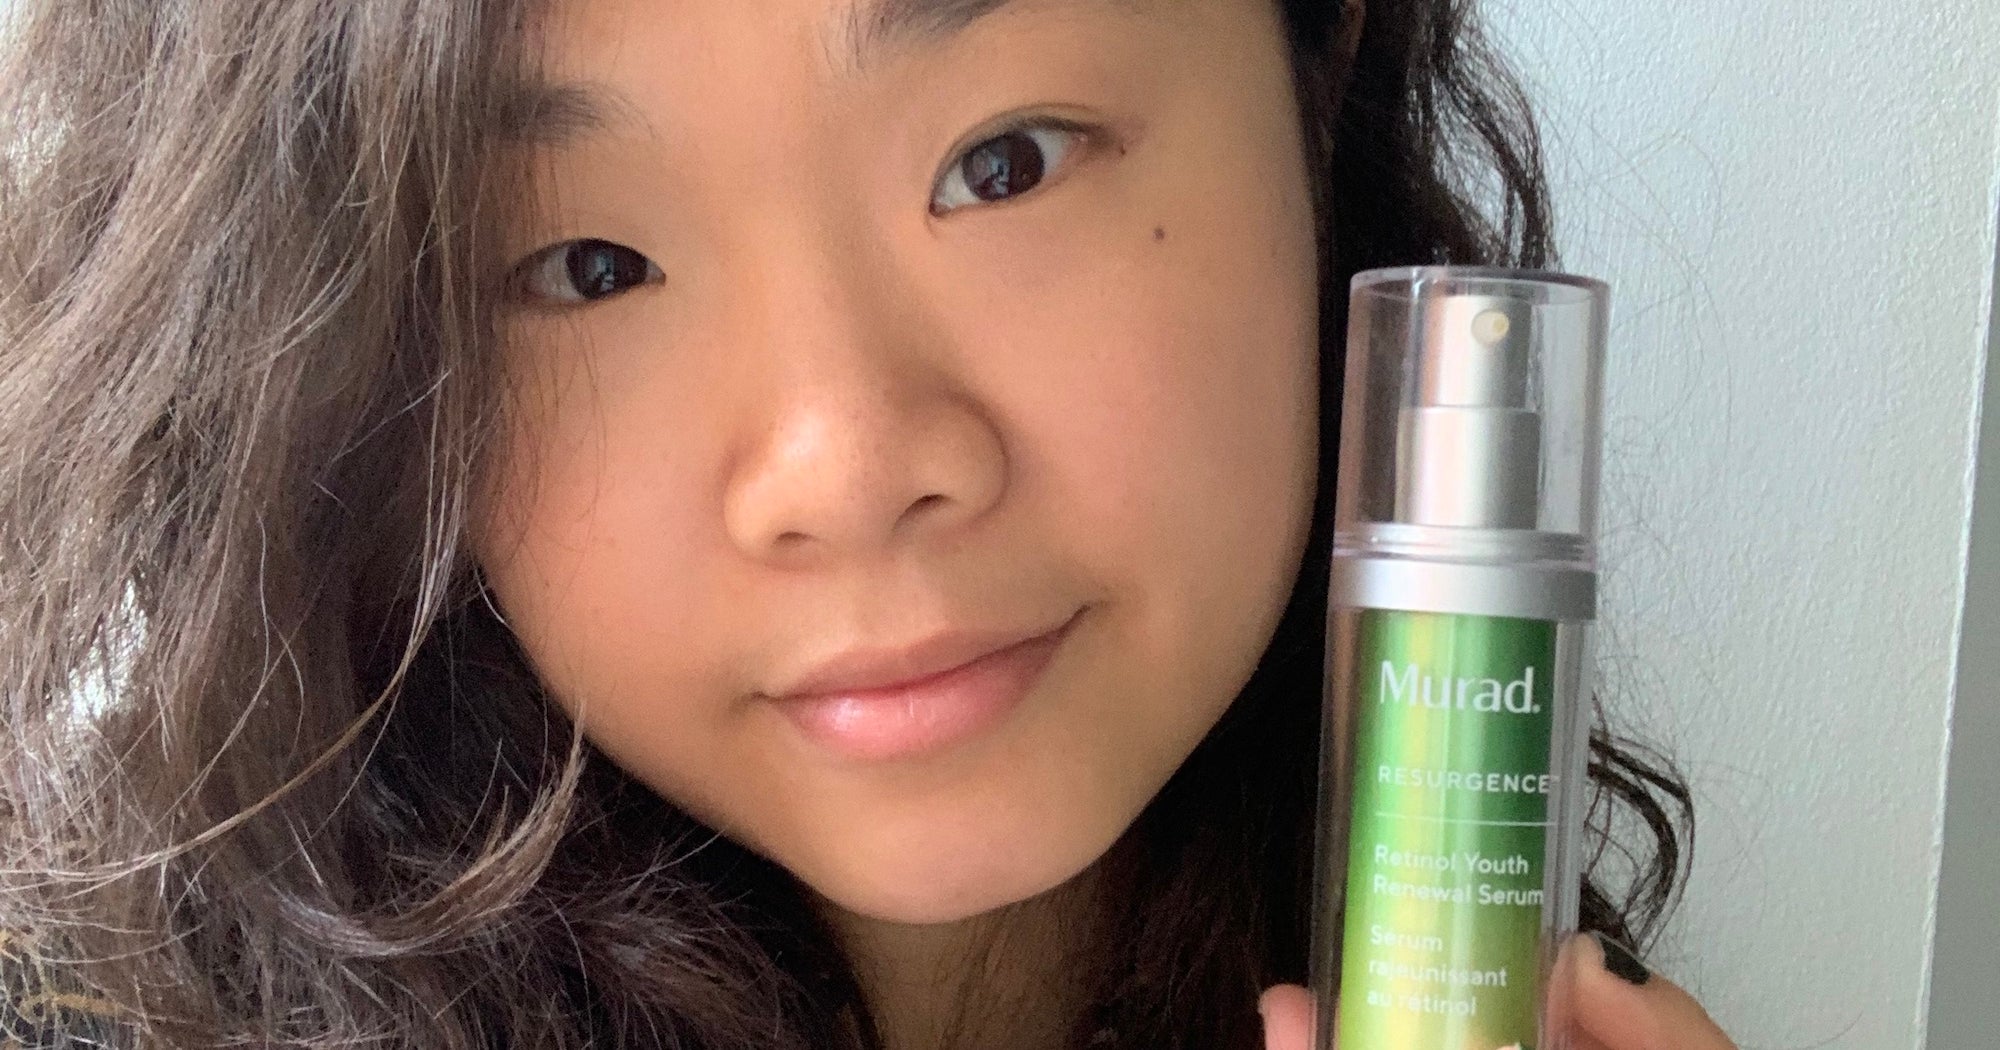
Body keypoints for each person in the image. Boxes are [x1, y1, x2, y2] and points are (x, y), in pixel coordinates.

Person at [0, 0, 1740, 1047]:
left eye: (1005, 163)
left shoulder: (1465, 956)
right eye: (588, 265)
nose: (847, 466)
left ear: (1317, 58)